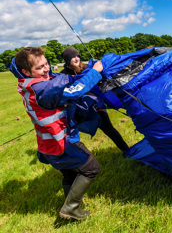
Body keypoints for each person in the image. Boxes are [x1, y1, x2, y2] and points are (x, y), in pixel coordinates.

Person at [10, 47, 104, 221]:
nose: (46, 69)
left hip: (48, 143)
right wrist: (95, 72)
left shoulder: (29, 84)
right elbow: (74, 90)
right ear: (25, 71)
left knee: (70, 172)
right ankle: (71, 208)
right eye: (40, 68)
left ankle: (74, 207)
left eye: (46, 64)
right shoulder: (43, 90)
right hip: (62, 141)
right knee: (91, 168)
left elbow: (60, 79)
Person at [61, 47, 129, 152]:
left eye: (77, 56)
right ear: (67, 60)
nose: (76, 59)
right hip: (80, 110)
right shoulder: (64, 75)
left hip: (96, 106)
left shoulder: (88, 68)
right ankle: (76, 157)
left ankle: (126, 150)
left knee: (109, 130)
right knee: (71, 133)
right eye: (72, 57)